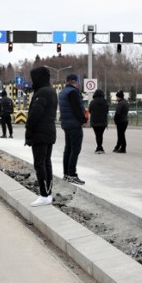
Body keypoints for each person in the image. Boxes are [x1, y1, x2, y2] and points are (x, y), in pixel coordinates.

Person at [26, 67, 58, 207]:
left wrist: (29, 130)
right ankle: (48, 193)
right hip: (49, 131)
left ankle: (44, 194)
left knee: (40, 164)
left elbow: (35, 113)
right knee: (46, 163)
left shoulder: (42, 92)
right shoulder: (51, 91)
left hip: (40, 132)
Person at [59, 74, 87, 185]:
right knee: (75, 150)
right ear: (75, 82)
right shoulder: (73, 92)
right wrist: (83, 120)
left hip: (66, 123)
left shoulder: (62, 92)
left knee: (68, 149)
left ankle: (66, 174)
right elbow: (77, 109)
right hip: (74, 124)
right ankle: (72, 174)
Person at [88, 89, 109, 154]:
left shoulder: (92, 102)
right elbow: (107, 111)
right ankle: (100, 147)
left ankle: (99, 147)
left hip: (94, 121)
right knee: (100, 134)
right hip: (103, 121)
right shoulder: (105, 102)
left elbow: (89, 110)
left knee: (97, 134)